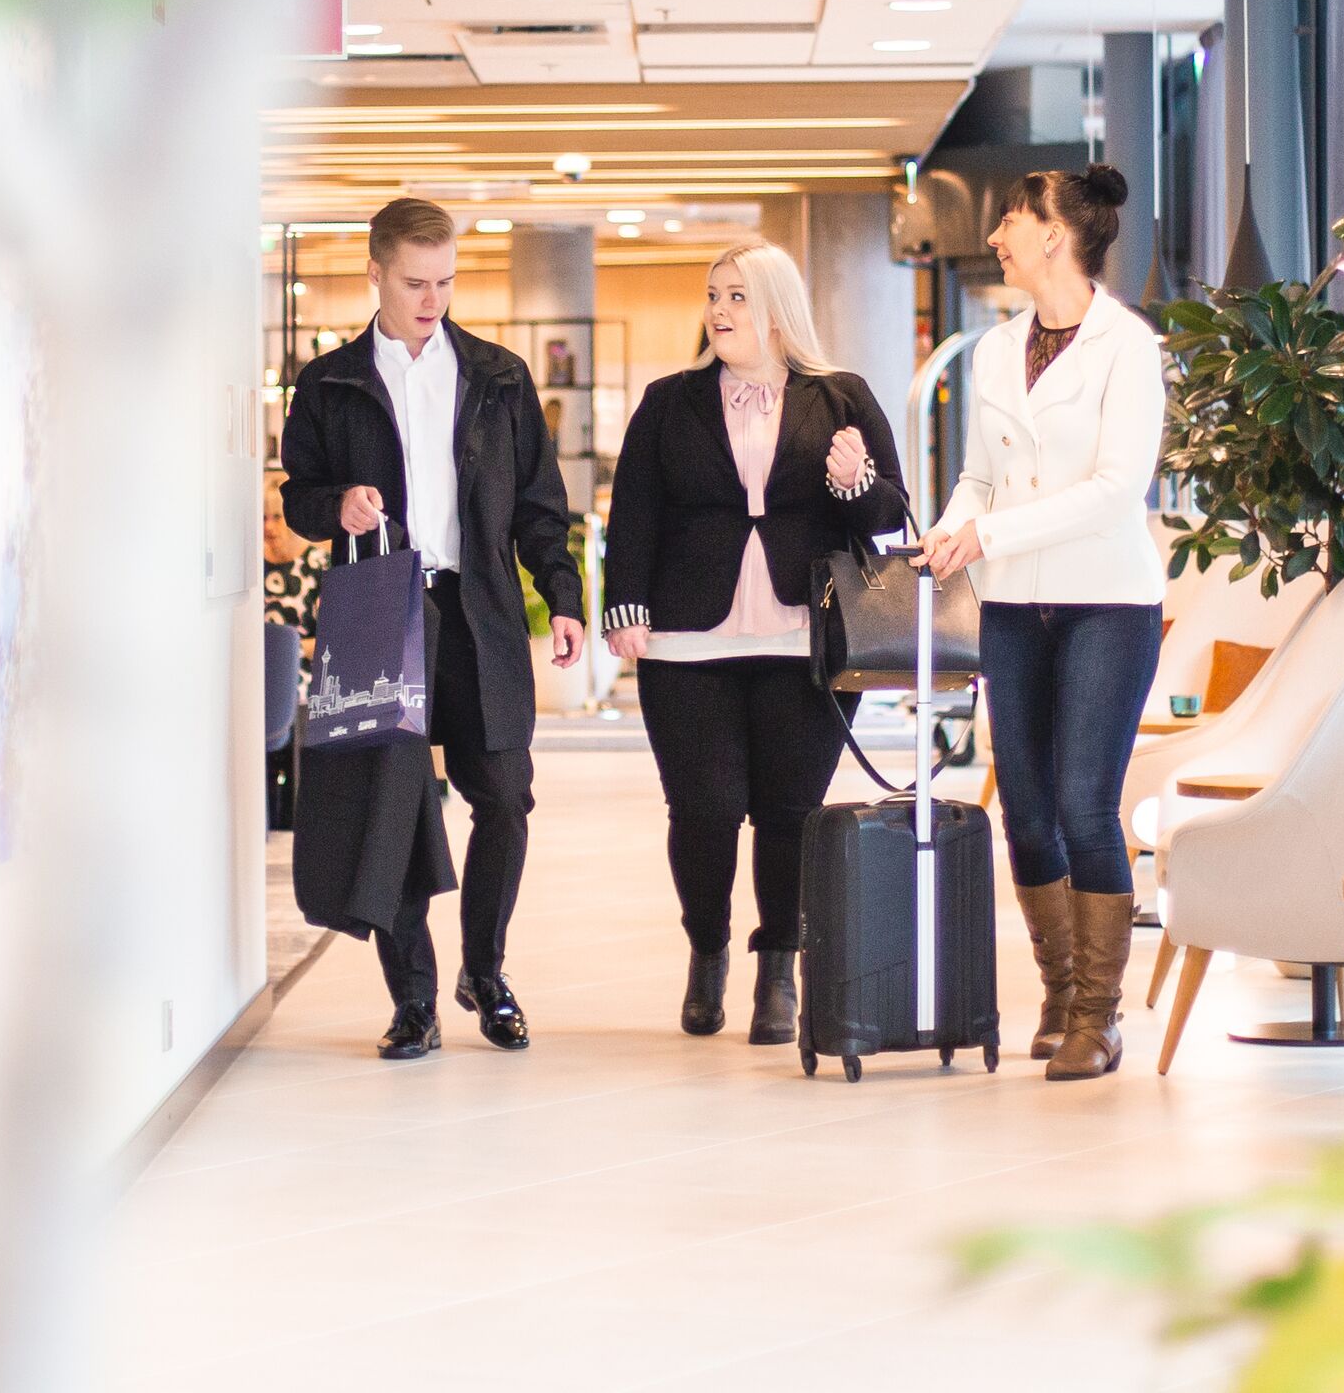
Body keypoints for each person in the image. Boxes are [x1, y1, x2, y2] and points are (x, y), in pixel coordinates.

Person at [279, 198, 591, 1060]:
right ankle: (412, 998)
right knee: (393, 809)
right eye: (415, 281)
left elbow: (539, 506)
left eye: (446, 280)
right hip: (379, 612)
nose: (432, 297)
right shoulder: (330, 383)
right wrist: (334, 505)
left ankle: (483, 972)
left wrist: (562, 596)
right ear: (375, 272)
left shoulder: (497, 376)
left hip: (478, 609)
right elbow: (297, 498)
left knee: (505, 796)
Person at [600, 241, 909, 1042]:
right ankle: (707, 950)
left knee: (789, 812)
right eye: (713, 295)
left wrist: (852, 480)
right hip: (685, 638)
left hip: (804, 638)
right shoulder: (670, 401)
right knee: (703, 808)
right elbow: (633, 508)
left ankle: (780, 971)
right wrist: (622, 602)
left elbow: (887, 512)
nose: (719, 310)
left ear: (776, 307)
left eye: (736, 295)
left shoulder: (840, 397)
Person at [919, 165, 1166, 1081]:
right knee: (1023, 808)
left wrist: (990, 530)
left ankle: (1100, 1017)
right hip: (1014, 601)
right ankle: (1060, 992)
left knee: (1082, 805)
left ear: (1055, 235)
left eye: (1012, 220)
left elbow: (1114, 493)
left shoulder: (1127, 348)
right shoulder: (992, 350)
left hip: (1108, 601)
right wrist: (950, 533)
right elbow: (979, 475)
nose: (998, 237)